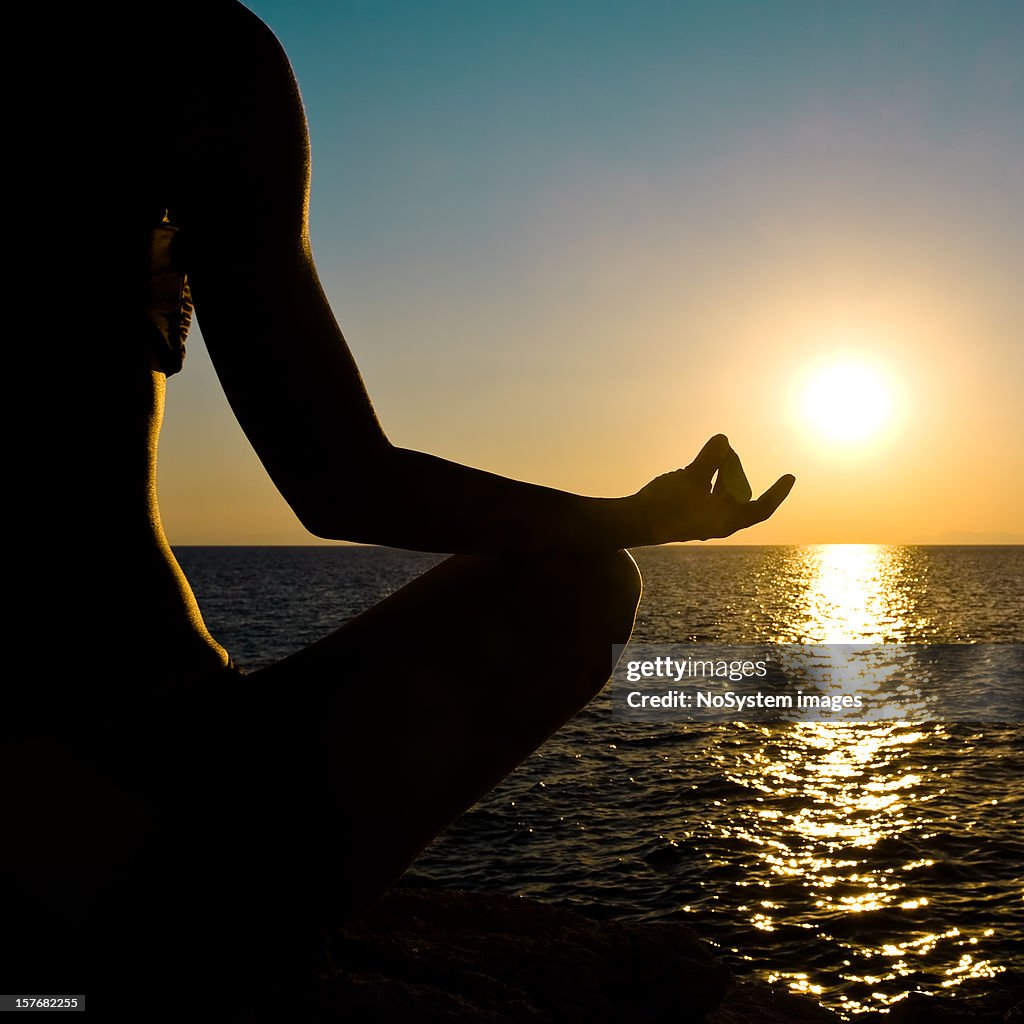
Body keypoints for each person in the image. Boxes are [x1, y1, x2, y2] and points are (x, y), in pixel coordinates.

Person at [4, 0, 793, 999]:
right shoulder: (192, 59)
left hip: (88, 788)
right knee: (578, 592)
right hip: (139, 772)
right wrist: (641, 517)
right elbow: (337, 478)